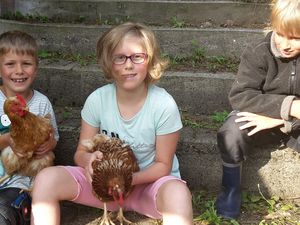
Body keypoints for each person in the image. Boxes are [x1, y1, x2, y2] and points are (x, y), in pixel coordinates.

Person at [30, 22, 193, 225]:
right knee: (46, 179)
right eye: (120, 57)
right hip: (103, 187)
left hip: (147, 186)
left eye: (137, 57)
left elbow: (163, 166)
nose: (128, 64)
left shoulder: (164, 105)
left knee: (178, 193)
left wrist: (124, 180)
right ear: (109, 62)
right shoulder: (97, 100)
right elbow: (80, 152)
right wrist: (89, 161)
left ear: (150, 61)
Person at [215, 0, 300, 219]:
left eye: (295, 38)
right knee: (231, 132)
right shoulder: (258, 53)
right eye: (280, 34)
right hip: (259, 119)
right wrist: (290, 107)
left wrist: (284, 120)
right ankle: (230, 189)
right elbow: (241, 96)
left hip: (294, 123)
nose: (285, 44)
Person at [0, 30, 59, 225]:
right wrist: (8, 139)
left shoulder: (41, 103)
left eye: (26, 64)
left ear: (36, 68)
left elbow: (54, 137)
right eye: (10, 64)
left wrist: (49, 144)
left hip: (21, 181)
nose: (19, 71)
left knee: (4, 214)